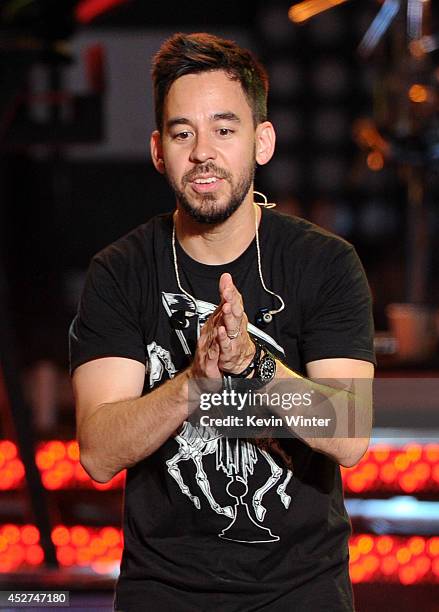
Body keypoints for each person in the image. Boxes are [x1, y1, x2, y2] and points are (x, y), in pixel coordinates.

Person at [70, 32, 375, 612]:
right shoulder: (121, 271)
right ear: (159, 150)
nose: (202, 151)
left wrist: (252, 365)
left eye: (224, 129)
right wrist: (192, 384)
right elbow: (97, 452)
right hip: (162, 591)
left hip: (300, 591)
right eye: (183, 133)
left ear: (263, 142)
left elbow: (351, 432)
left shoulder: (323, 263)